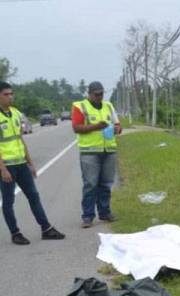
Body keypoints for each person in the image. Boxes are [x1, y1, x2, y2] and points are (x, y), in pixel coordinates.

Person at [0, 81, 65, 245]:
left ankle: (46, 228)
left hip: (21, 164)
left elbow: (20, 139)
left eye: (11, 93)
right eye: (6, 94)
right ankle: (15, 233)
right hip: (6, 166)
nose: (10, 97)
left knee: (33, 195)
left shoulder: (15, 113)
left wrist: (30, 163)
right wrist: (3, 169)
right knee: (8, 201)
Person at [71, 81, 121, 228]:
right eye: (96, 94)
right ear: (90, 93)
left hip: (108, 150)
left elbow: (117, 124)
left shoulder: (108, 106)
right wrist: (96, 126)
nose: (99, 96)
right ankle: (87, 216)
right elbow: (77, 127)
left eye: (101, 94)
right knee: (90, 185)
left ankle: (105, 212)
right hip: (90, 152)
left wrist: (117, 129)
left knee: (106, 184)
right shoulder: (80, 106)